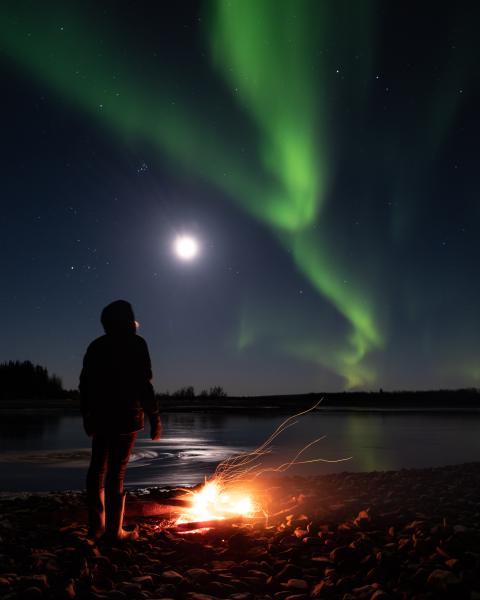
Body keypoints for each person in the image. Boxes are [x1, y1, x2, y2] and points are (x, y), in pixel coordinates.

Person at [79, 300, 161, 541]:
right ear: (129, 320)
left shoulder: (97, 346)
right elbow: (144, 384)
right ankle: (114, 531)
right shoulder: (136, 344)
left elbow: (86, 385)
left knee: (97, 469)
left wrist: (87, 414)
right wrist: (155, 416)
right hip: (126, 417)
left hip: (101, 416)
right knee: (116, 472)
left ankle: (96, 528)